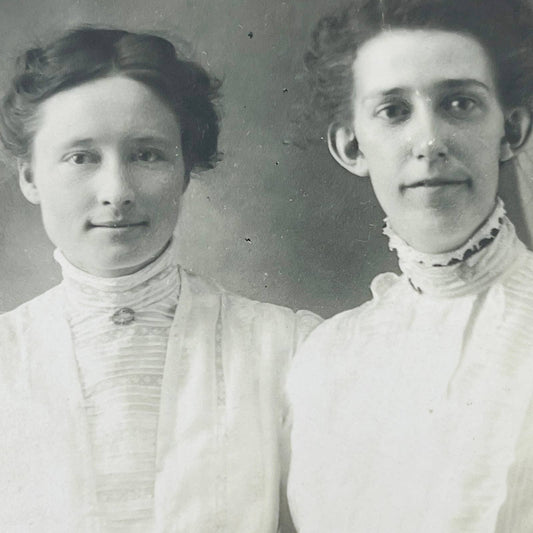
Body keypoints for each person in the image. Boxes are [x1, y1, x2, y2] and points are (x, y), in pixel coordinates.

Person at [0, 27, 319, 532]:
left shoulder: (287, 349)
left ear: (185, 170)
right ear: (30, 177)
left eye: (147, 154)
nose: (117, 191)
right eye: (81, 157)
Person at [287, 0, 533, 531]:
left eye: (460, 104)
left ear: (511, 131)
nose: (429, 142)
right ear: (351, 145)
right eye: (393, 111)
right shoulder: (325, 361)